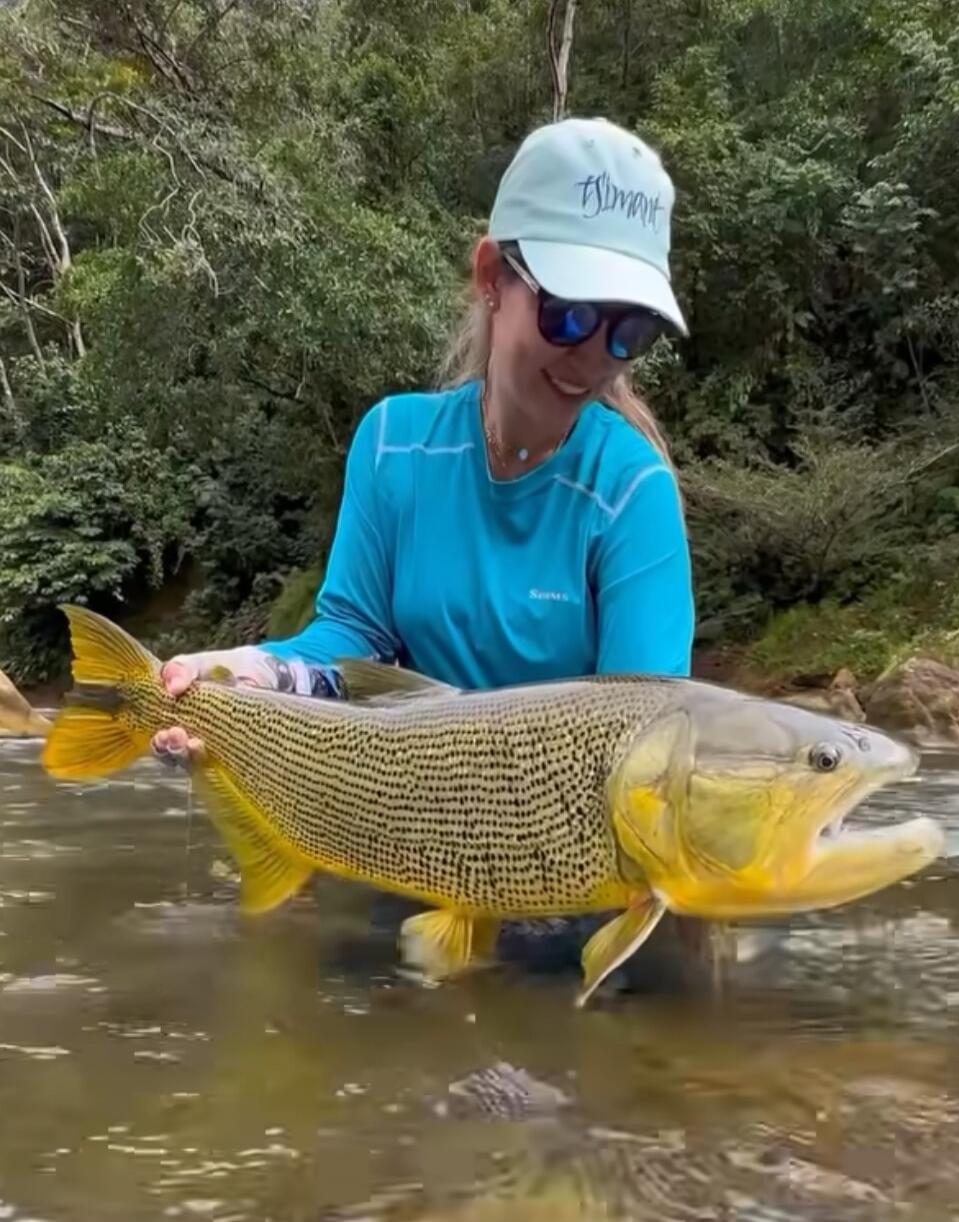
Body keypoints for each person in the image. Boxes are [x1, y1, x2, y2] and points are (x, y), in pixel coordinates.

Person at [154, 116, 699, 989]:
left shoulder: (633, 493)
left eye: (626, 332)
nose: (594, 358)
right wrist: (255, 674)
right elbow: (346, 643)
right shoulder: (392, 445)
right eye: (569, 315)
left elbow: (649, 748)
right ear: (491, 277)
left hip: (576, 882)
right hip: (410, 836)